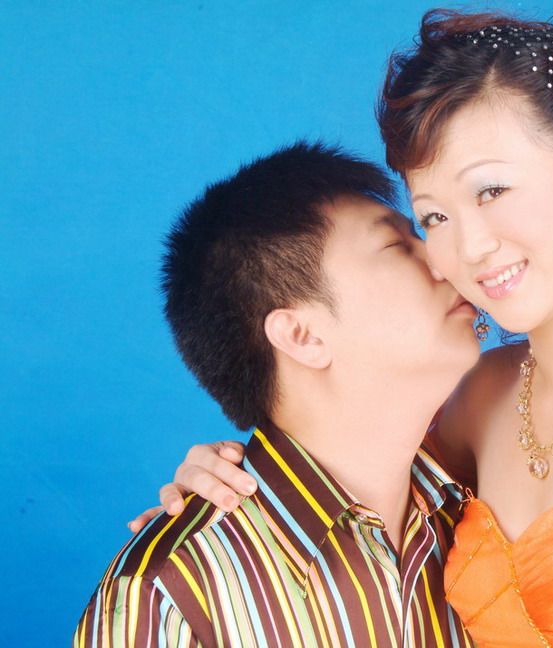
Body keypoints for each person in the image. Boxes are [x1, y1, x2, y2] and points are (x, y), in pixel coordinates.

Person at [133, 11, 553, 647]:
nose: (467, 249)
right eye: (435, 218)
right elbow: (343, 483)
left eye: (491, 190)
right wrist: (234, 479)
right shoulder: (477, 396)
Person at [75, 142, 480, 647]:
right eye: (397, 246)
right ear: (301, 336)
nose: (445, 257)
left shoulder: (478, 510)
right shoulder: (170, 593)